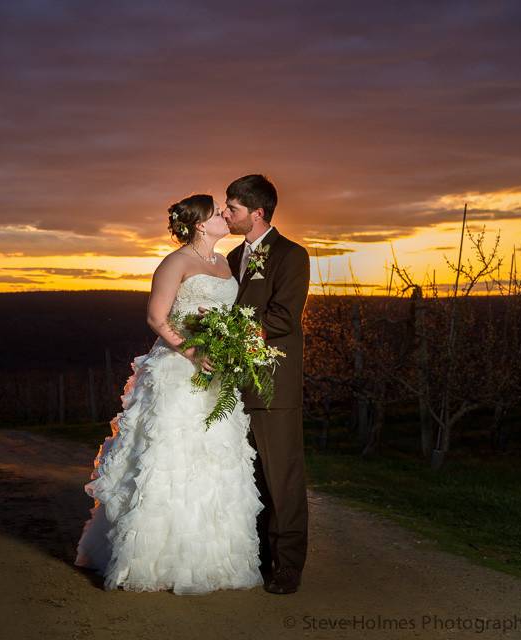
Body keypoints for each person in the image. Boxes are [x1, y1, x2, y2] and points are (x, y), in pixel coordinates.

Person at [74, 194, 264, 595]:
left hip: (216, 376)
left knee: (213, 461)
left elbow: (228, 315)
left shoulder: (225, 261)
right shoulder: (175, 262)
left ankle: (208, 557)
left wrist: (232, 343)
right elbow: (156, 317)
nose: (225, 217)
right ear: (199, 224)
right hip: (179, 371)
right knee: (169, 461)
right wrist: (192, 349)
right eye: (218, 214)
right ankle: (154, 559)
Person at [222, 174, 310, 595]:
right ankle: (256, 558)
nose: (225, 213)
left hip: (273, 383)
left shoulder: (292, 255)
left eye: (232, 208)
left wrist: (228, 333)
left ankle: (288, 566)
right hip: (233, 385)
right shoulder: (232, 255)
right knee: (247, 477)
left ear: (257, 213)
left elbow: (282, 318)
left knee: (282, 478)